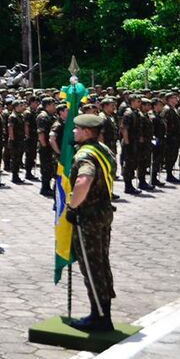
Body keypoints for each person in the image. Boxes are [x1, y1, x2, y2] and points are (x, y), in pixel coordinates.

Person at [66, 113, 118, 332]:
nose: (74, 132)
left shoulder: (86, 154)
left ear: (87, 132)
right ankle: (103, 311)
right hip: (104, 212)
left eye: (77, 129)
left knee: (91, 265)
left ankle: (99, 317)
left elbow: (84, 179)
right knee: (101, 262)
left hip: (88, 217)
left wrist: (72, 206)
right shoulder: (103, 149)